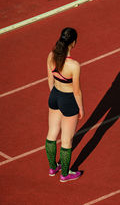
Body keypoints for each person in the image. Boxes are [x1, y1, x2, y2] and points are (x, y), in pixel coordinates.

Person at [45, 27, 84, 182]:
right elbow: (77, 91)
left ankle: (53, 167)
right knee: (67, 140)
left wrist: (55, 96)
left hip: (54, 95)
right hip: (68, 100)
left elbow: (50, 80)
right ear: (73, 43)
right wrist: (80, 108)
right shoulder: (74, 65)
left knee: (52, 133)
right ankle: (65, 174)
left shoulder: (51, 56)